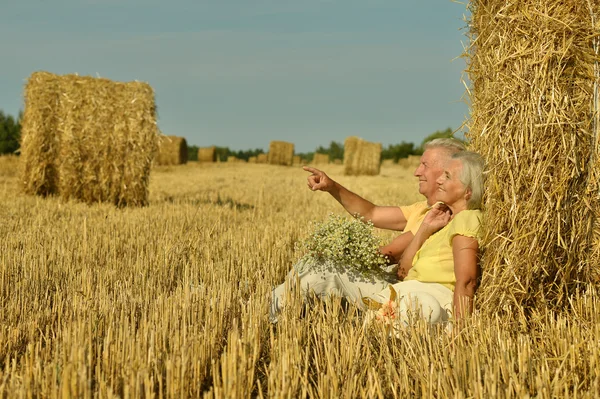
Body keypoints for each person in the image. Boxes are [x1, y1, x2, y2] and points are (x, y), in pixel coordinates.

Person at [269, 138, 466, 321]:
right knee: (312, 263)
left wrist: (342, 254)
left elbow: (388, 255)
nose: (416, 172)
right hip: (397, 281)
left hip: (401, 286)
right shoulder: (423, 209)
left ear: (445, 172)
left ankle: (270, 314)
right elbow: (372, 213)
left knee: (323, 270)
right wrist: (331, 186)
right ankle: (280, 309)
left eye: (424, 165)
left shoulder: (442, 217)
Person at [365, 150, 484, 329]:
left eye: (448, 176)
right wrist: (424, 229)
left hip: (430, 301)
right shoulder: (441, 222)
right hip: (404, 293)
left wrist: (461, 331)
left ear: (468, 191)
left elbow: (466, 281)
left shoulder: (467, 219)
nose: (439, 180)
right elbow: (403, 272)